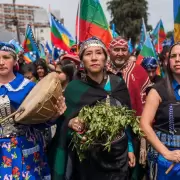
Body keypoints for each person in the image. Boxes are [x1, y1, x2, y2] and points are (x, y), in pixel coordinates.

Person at [49, 37, 135, 180]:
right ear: (82, 60)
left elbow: (127, 121)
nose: (94, 58)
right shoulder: (74, 89)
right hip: (88, 159)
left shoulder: (118, 84)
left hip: (118, 157)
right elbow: (62, 123)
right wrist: (71, 124)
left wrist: (131, 148)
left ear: (106, 57)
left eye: (98, 53)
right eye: (88, 54)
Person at [0, 42, 66, 179]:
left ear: (15, 60)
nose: (1, 62)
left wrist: (54, 116)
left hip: (25, 148)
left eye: (6, 57)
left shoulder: (28, 87)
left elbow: (40, 123)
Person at [106, 36, 151, 180]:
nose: (120, 53)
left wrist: (145, 137)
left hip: (135, 132)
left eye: (123, 50)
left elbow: (147, 104)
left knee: (135, 172)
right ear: (109, 51)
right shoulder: (101, 71)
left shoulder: (139, 72)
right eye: (116, 50)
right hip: (106, 132)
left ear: (129, 52)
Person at [140, 42, 180, 179]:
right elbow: (144, 125)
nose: (178, 59)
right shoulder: (157, 90)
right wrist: (166, 153)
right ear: (168, 62)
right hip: (165, 160)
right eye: (173, 56)